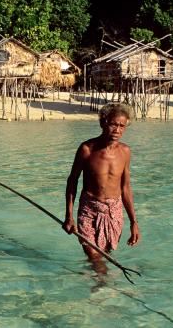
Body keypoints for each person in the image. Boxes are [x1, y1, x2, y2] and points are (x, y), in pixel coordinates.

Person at [63, 103, 141, 274]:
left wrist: (134, 222)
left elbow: (126, 187)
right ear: (103, 123)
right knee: (93, 254)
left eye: (122, 126)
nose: (117, 130)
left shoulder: (125, 151)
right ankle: (104, 287)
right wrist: (69, 216)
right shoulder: (87, 149)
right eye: (113, 124)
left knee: (104, 253)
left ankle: (96, 284)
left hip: (114, 210)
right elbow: (72, 182)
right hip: (89, 208)